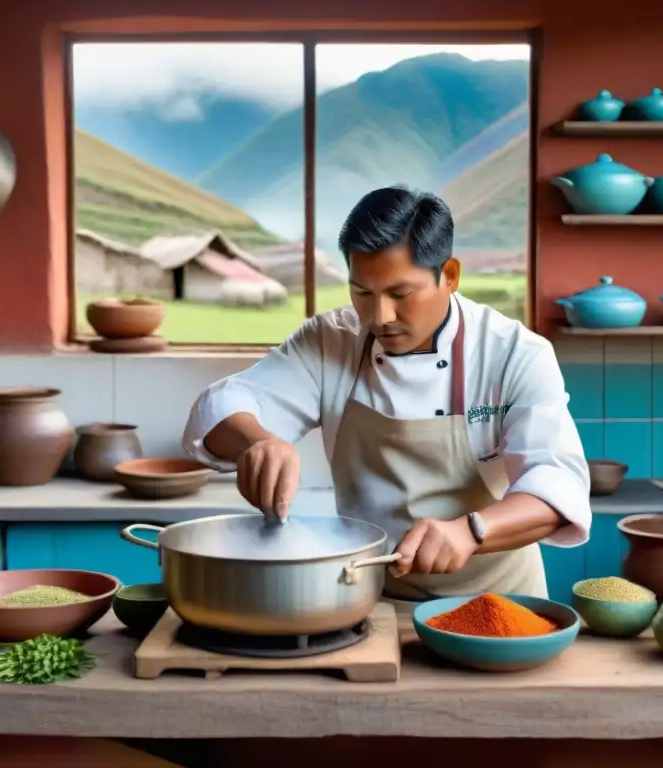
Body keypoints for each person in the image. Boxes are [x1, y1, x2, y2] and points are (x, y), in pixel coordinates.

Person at [182, 186, 591, 599]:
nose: (380, 317)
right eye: (362, 293)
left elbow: (558, 485)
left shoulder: (514, 353)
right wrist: (258, 442)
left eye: (400, 294)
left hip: (496, 603)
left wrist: (472, 531)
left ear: (449, 275)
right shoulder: (330, 341)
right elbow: (220, 406)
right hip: (369, 599)